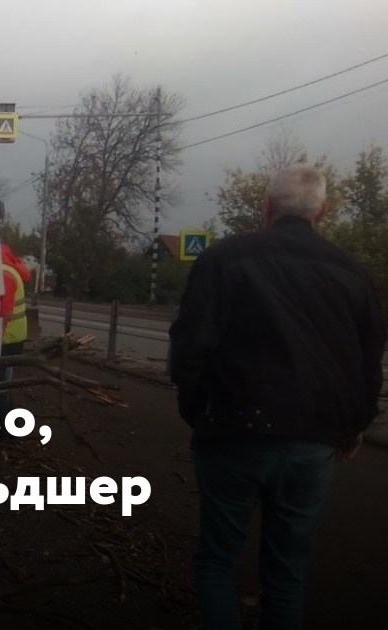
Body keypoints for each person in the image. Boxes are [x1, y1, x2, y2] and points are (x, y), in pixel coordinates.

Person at [169, 164, 385, 630]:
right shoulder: (353, 274)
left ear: (266, 206)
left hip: (232, 433)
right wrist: (356, 424)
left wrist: (197, 412)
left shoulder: (224, 260)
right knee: (287, 575)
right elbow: (369, 361)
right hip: (314, 443)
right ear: (322, 212)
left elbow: (189, 348)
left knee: (218, 561)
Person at [0, 244, 30, 410]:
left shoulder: (4, 274)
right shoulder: (9, 270)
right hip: (14, 336)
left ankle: (3, 419)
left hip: (7, 338)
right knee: (4, 377)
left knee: (1, 382)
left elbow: (6, 313)